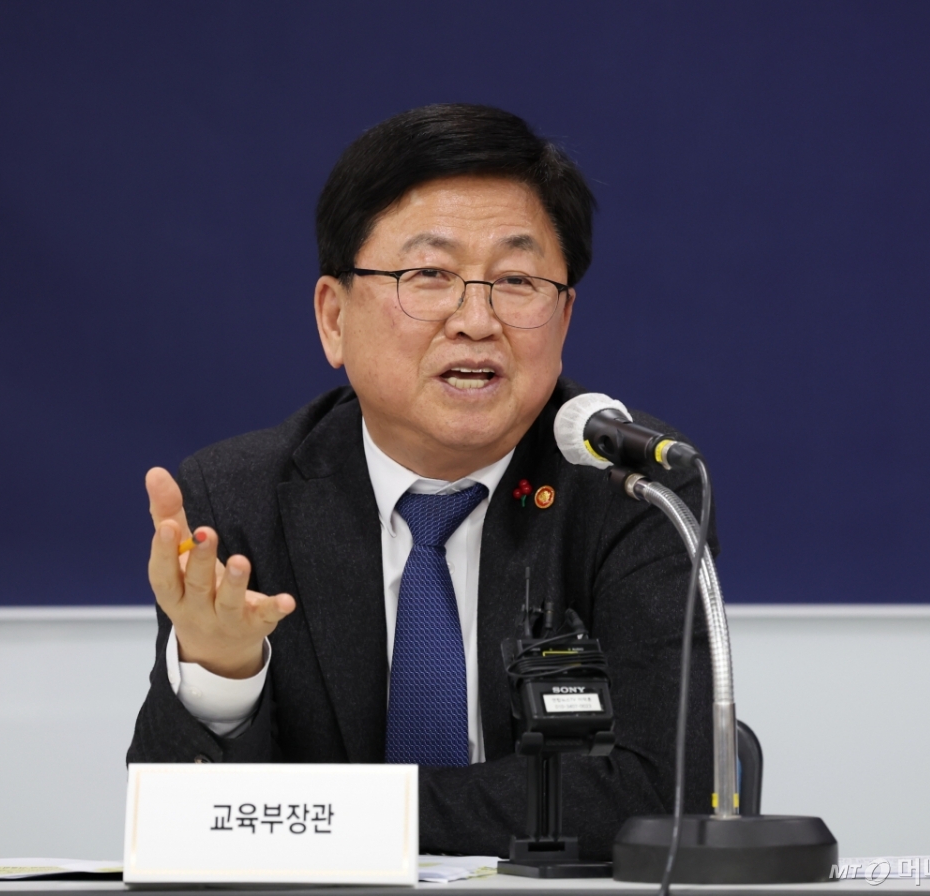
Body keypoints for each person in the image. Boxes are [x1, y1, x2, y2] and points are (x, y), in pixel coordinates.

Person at [127, 103, 714, 860]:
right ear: (333, 318)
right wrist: (219, 675)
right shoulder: (237, 500)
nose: (476, 320)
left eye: (516, 280)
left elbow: (661, 792)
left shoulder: (631, 488)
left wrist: (340, 815)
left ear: (564, 320)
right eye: (429, 275)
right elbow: (183, 827)